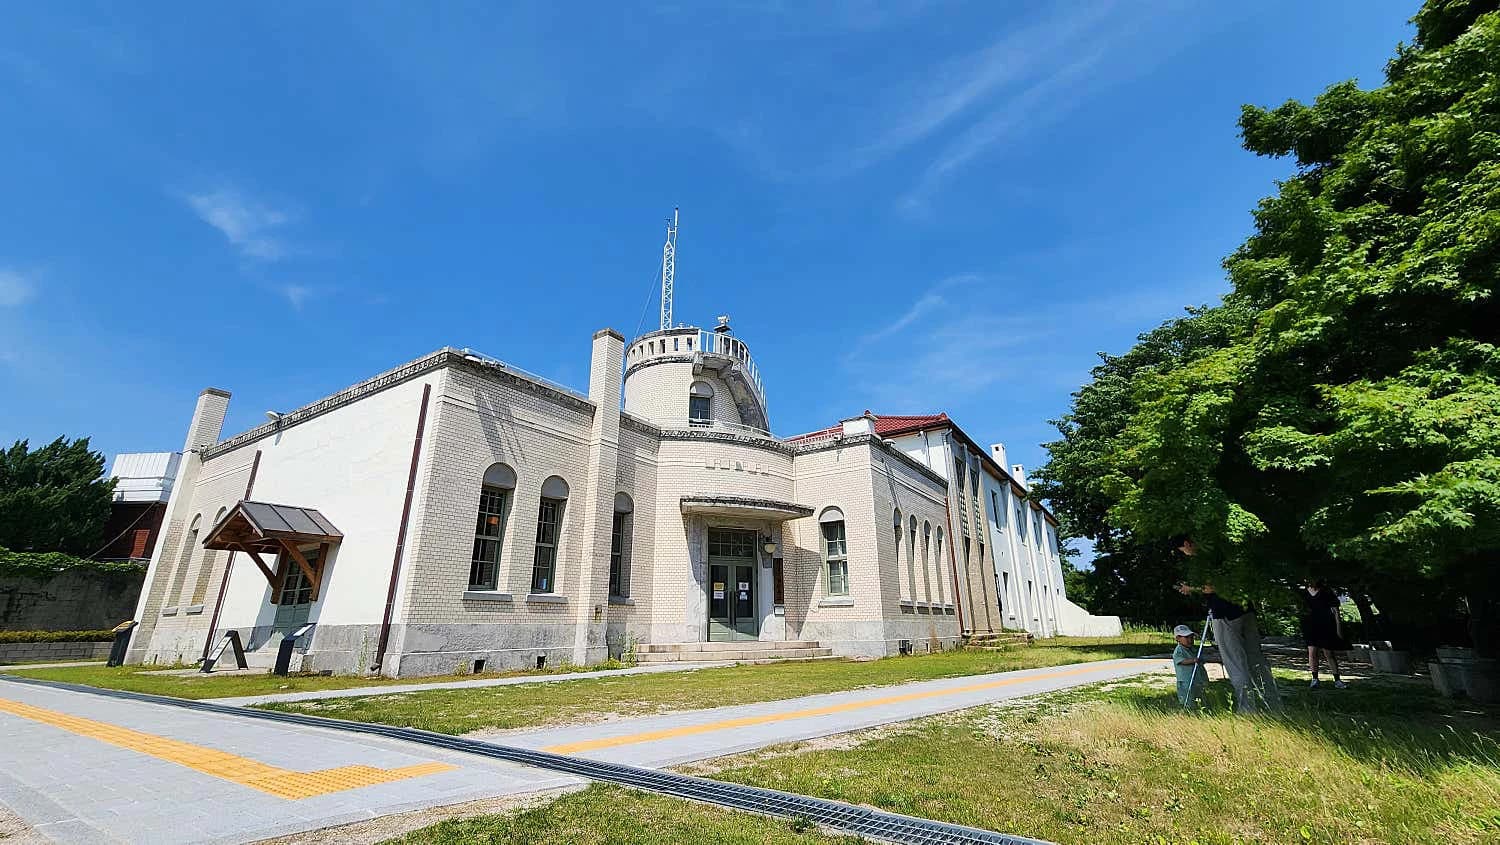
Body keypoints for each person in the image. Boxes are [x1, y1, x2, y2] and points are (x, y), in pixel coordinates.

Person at [1176, 539, 1283, 715]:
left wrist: (1190, 588)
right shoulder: (1225, 551)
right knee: (1256, 659)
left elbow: (1211, 587)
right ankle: (1273, 703)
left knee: (1235, 662)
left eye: (1182, 549)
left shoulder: (1204, 560)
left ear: (1187, 544)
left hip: (1225, 614)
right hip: (1245, 609)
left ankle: (1247, 709)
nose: (1184, 553)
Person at [1301, 580, 1349, 689]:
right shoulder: (1303, 593)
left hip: (1326, 625)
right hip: (1311, 626)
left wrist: (1338, 628)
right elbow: (1302, 610)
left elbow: (1336, 611)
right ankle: (1314, 679)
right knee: (1312, 652)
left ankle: (1337, 680)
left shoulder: (1326, 591)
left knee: (1329, 653)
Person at [1172, 624, 1206, 709]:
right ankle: (1188, 710)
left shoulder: (1192, 649)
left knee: (1198, 694)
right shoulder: (1179, 650)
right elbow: (1181, 661)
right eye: (1186, 638)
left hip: (1195, 678)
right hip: (1185, 680)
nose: (1190, 640)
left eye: (1191, 637)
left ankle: (1200, 707)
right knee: (1187, 696)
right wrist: (1193, 660)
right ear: (1178, 639)